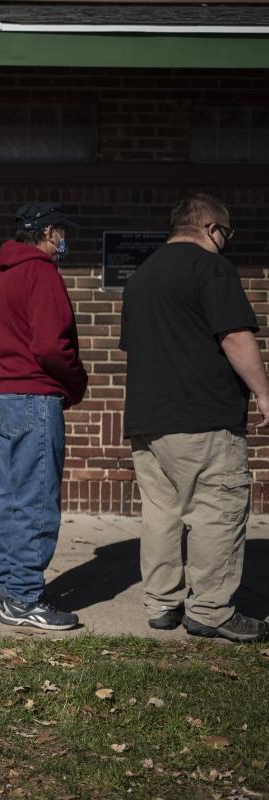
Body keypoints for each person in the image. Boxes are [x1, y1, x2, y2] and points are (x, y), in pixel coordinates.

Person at [121, 193, 269, 643]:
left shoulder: (140, 277)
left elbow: (136, 348)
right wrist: (264, 392)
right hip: (202, 417)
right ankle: (210, 610)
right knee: (217, 511)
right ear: (210, 229)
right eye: (226, 235)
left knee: (161, 513)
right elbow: (235, 336)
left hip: (148, 420)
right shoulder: (211, 267)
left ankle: (162, 604)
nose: (226, 244)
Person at [0, 203, 87, 630]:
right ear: (46, 232)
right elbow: (50, 347)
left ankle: (3, 589)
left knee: (7, 499)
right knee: (36, 500)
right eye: (61, 231)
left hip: (2, 395)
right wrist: (76, 382)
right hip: (34, 396)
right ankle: (23, 597)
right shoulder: (40, 272)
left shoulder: (0, 276)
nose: (64, 240)